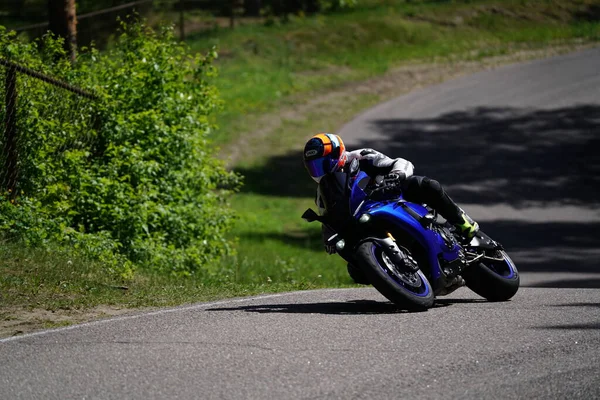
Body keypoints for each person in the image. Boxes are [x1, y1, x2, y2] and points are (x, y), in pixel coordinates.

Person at [302, 133, 479, 254]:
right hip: (367, 219)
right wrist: (329, 239)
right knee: (355, 271)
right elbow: (327, 218)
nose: (320, 170)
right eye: (315, 167)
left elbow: (400, 162)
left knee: (425, 185)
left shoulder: (361, 156)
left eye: (324, 163)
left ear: (337, 153)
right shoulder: (321, 194)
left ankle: (462, 222)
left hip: (394, 197)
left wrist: (397, 174)